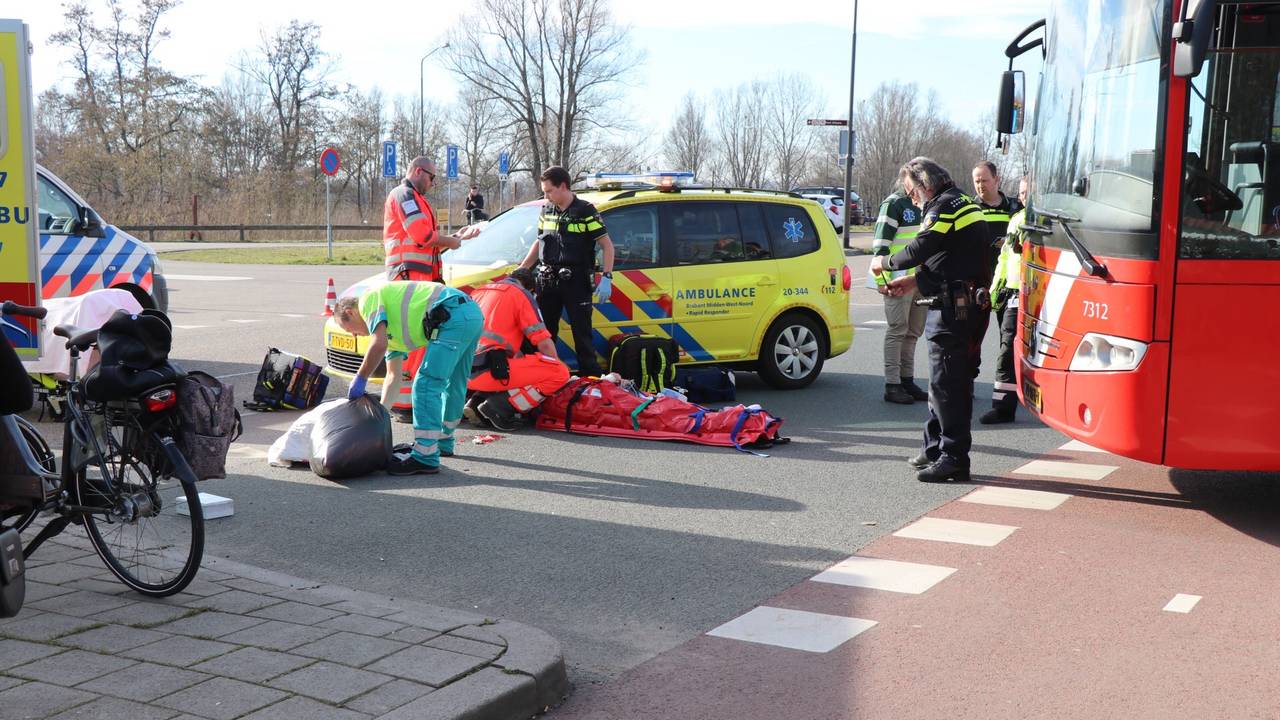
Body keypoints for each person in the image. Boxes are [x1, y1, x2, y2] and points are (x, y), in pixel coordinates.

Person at [869, 157, 989, 483]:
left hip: (955, 308)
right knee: (947, 382)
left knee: (948, 383)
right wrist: (913, 282)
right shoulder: (962, 202)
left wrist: (886, 262)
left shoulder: (943, 206)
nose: (911, 200)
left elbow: (923, 246)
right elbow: (948, 257)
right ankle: (935, 447)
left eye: (912, 192)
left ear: (925, 185)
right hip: (965, 302)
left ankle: (953, 458)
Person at [334, 281, 483, 475]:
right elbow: (393, 376)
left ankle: (426, 455)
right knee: (454, 382)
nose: (355, 335)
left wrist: (360, 378)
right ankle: (442, 441)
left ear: (351, 312)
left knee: (426, 384)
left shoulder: (368, 300)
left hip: (452, 316)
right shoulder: (389, 330)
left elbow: (377, 344)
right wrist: (379, 416)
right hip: (470, 314)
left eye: (349, 329)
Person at [518, 166, 615, 377]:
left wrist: (607, 276)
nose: (546, 196)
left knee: (582, 336)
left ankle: (590, 384)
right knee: (544, 336)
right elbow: (539, 242)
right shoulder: (547, 210)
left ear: (563, 186)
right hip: (547, 280)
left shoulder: (585, 211)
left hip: (576, 280)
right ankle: (545, 379)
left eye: (549, 191)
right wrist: (521, 270)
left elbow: (607, 246)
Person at [466, 268, 571, 430]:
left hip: (461, 372)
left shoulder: (478, 291)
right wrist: (555, 366)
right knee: (559, 372)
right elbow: (543, 342)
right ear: (530, 289)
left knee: (512, 359)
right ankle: (499, 408)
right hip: (489, 371)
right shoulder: (520, 294)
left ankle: (476, 402)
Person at [869, 187, 929, 405]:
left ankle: (907, 381)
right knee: (897, 330)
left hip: (919, 278)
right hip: (896, 279)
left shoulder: (927, 203)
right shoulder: (894, 204)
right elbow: (880, 248)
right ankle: (892, 384)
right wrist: (881, 282)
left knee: (913, 332)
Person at [968, 161, 1024, 376]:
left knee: (1008, 336)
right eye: (977, 181)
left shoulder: (1015, 208)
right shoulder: (969, 210)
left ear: (996, 180)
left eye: (985, 180)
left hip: (1006, 284)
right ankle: (969, 379)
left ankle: (1009, 384)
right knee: (972, 335)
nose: (980, 186)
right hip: (977, 282)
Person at [383, 156, 477, 282]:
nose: (432, 183)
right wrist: (450, 242)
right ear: (418, 172)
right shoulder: (405, 195)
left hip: (416, 276)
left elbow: (428, 244)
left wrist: (457, 237)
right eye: (431, 177)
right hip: (407, 276)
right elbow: (423, 236)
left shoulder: (415, 198)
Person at [983, 176, 1030, 425]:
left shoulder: (1048, 222)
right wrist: (995, 290)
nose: (1024, 197)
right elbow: (1005, 258)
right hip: (1013, 294)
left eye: (1029, 192)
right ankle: (1002, 407)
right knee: (1006, 351)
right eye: (1022, 193)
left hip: (1039, 297)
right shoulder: (1016, 219)